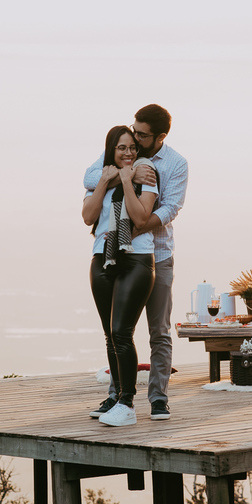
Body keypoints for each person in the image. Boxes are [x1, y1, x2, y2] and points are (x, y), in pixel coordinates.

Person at [83, 104, 188, 421]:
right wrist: (123, 174)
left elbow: (171, 208)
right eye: (133, 132)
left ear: (160, 136)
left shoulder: (174, 164)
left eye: (142, 135)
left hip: (155, 253)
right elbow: (90, 176)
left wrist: (135, 225)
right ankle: (117, 394)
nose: (136, 140)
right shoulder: (126, 157)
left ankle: (158, 398)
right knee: (117, 332)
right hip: (114, 253)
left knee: (158, 331)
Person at [82, 126, 160, 427]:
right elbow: (88, 216)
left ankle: (127, 403)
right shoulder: (101, 176)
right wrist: (106, 180)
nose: (128, 153)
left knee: (121, 332)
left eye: (132, 147)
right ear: (110, 151)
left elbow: (141, 217)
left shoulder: (146, 172)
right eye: (121, 148)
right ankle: (115, 398)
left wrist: (128, 182)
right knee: (109, 335)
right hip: (102, 257)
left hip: (136, 257)